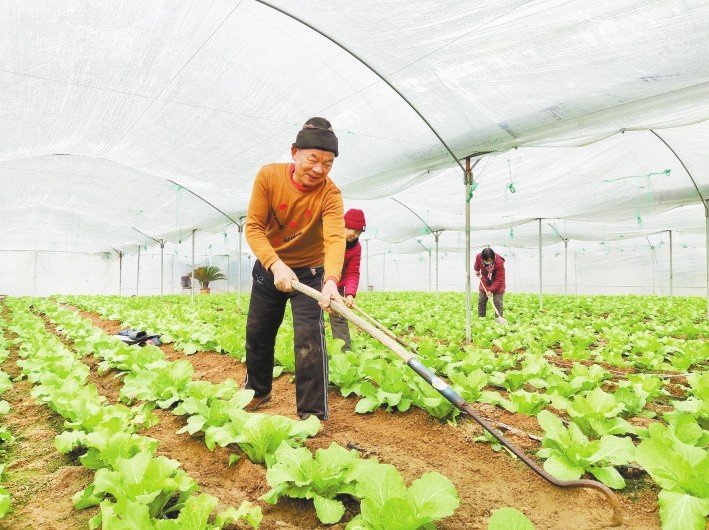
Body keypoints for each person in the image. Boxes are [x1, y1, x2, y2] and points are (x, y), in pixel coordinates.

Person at [243, 117, 345, 421]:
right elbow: (254, 228)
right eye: (313, 159)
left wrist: (330, 281)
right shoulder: (268, 177)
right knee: (258, 333)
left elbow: (336, 238)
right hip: (270, 267)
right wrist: (276, 265)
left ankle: (312, 414)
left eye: (327, 163)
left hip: (310, 274)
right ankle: (258, 392)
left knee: (309, 341)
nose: (318, 169)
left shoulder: (330, 193)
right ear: (294, 152)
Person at [329, 208, 366, 351]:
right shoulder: (330, 238)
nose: (356, 235)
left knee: (339, 316)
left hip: (337, 285)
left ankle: (344, 353)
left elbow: (352, 273)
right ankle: (315, 350)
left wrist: (350, 293)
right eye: (354, 231)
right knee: (312, 316)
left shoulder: (356, 248)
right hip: (317, 281)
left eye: (359, 233)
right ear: (344, 225)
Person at [474, 247, 506, 318]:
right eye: (486, 260)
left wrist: (490, 290)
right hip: (485, 280)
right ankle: (481, 319)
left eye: (490, 260)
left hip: (498, 282)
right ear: (482, 258)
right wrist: (477, 270)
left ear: (493, 258)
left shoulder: (499, 263)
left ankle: (499, 320)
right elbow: (477, 264)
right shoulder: (479, 257)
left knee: (497, 302)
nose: (488, 262)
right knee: (481, 301)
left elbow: (499, 279)